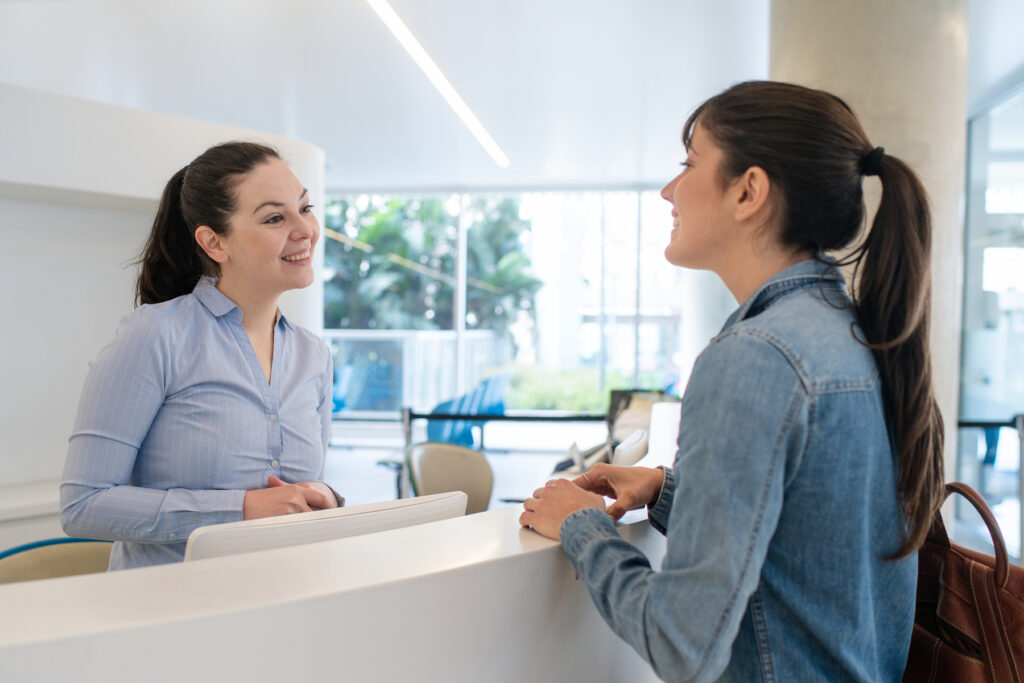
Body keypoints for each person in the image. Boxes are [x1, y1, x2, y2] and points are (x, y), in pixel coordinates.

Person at [520, 81, 945, 682]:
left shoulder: (756, 356)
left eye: (689, 163)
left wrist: (578, 524)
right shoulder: (855, 336)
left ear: (749, 191)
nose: (670, 191)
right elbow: (815, 549)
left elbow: (682, 645)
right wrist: (670, 491)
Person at [61, 142, 341, 570]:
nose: (305, 229)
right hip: (171, 614)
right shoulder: (156, 335)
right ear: (214, 243)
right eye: (274, 218)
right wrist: (241, 508)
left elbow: (297, 491)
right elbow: (84, 503)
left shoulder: (314, 356)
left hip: (281, 604)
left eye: (305, 208)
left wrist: (322, 497)